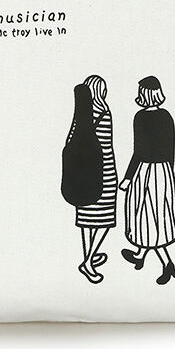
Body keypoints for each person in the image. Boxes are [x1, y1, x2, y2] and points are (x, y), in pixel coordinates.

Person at [119, 76, 175, 285]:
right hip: (163, 173)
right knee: (153, 216)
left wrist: (127, 178)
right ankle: (140, 255)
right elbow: (171, 150)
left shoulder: (140, 117)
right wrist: (171, 175)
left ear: (145, 94)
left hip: (145, 172)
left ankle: (167, 264)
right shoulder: (166, 116)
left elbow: (138, 152)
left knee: (148, 218)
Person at [65, 74, 118, 283]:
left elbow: (70, 140)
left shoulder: (81, 114)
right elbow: (106, 148)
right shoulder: (104, 112)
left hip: (82, 175)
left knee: (87, 218)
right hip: (103, 174)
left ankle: (89, 254)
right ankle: (88, 263)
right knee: (104, 219)